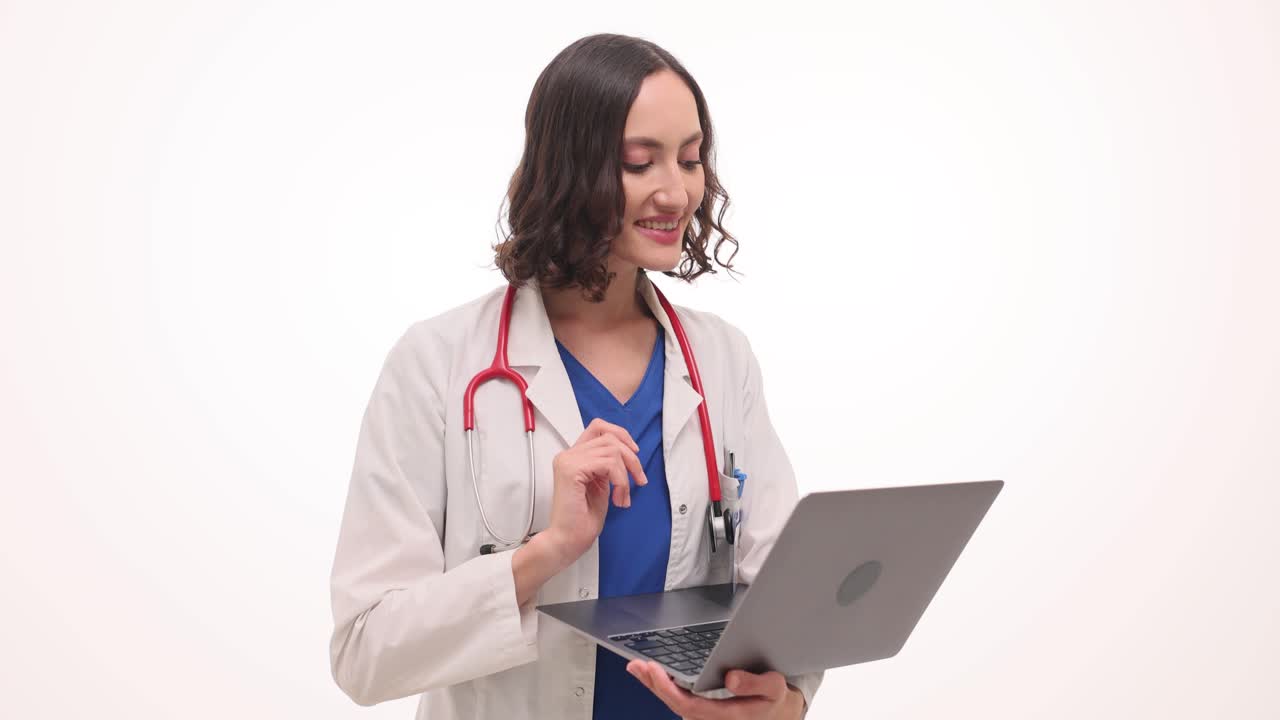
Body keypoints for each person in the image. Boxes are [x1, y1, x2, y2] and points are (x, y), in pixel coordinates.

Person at [329, 33, 823, 720]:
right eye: (638, 162)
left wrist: (783, 704)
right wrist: (549, 550)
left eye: (689, 159)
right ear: (568, 169)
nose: (675, 191)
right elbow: (365, 653)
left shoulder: (721, 360)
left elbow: (781, 604)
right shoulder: (438, 363)